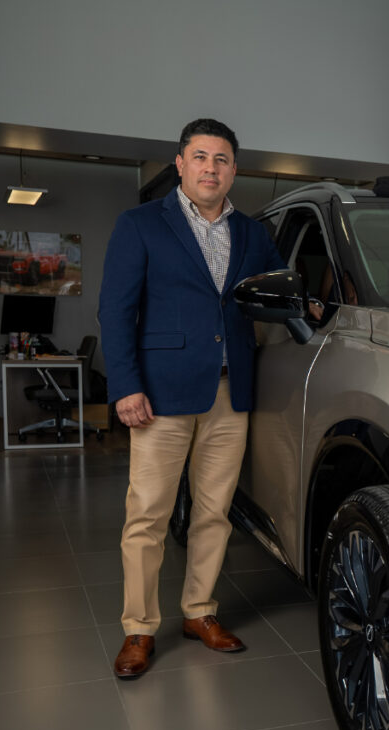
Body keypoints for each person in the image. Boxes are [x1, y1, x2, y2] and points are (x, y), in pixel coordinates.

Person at [99, 118, 285, 678]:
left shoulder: (252, 234)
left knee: (214, 513)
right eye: (200, 157)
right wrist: (125, 385)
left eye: (221, 159)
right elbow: (115, 310)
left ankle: (199, 612)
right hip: (160, 395)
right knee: (147, 516)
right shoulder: (139, 224)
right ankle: (138, 628)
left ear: (234, 170)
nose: (211, 167)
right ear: (180, 165)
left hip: (231, 393)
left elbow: (278, 295)